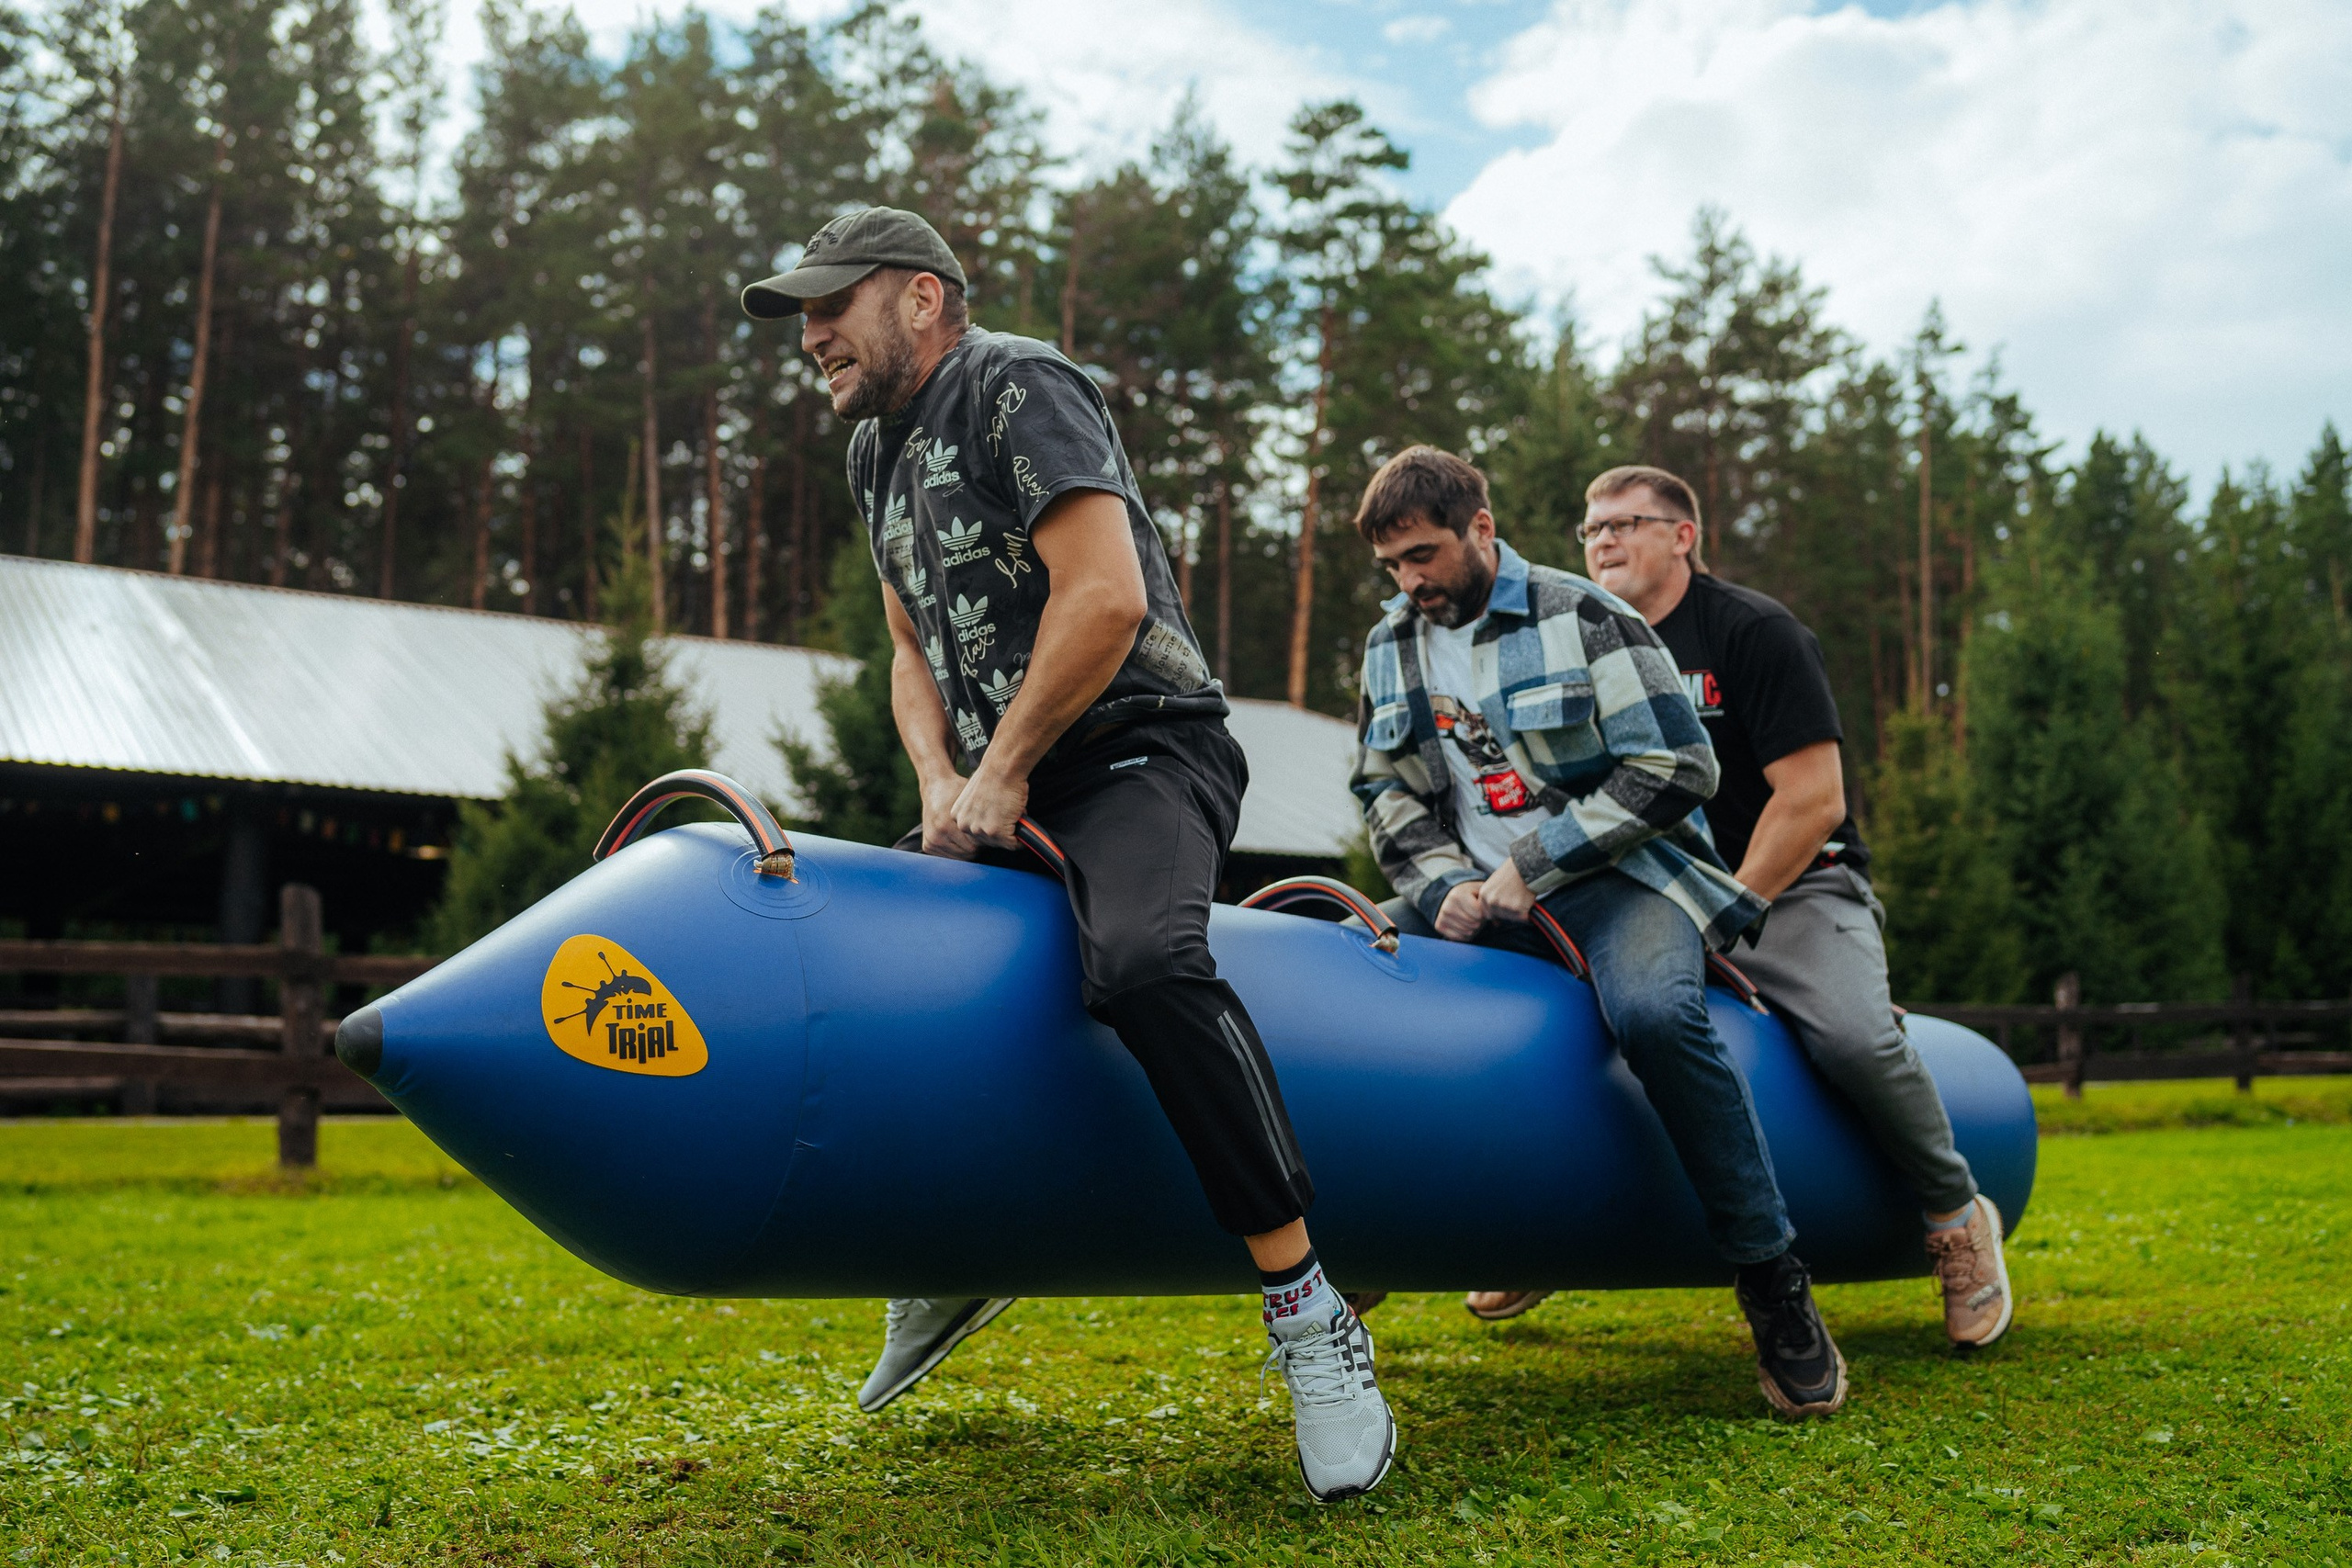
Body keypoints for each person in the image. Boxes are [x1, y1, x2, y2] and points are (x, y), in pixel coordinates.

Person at [741, 207, 1395, 1501]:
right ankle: (957, 1246)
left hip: (1140, 750)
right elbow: (909, 646)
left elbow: (1106, 596)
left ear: (923, 298)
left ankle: (1310, 1307)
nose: (810, 335)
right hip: (995, 785)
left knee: (1145, 962)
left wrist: (1003, 766)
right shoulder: (874, 450)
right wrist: (940, 778)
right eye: (799, 314)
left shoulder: (1017, 385)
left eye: (833, 304)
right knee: (871, 966)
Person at [1345, 446, 1849, 1419]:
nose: (1409, 582)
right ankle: (1371, 1237)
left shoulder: (1583, 613)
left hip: (1617, 885)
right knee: (1354, 977)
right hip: (1472, 897)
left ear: (1482, 530)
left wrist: (1527, 868)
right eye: (1392, 567)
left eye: (1424, 556)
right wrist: (1443, 880)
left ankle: (1773, 1285)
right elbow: (1383, 787)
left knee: (1657, 1020)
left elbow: (1674, 768)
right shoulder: (1391, 643)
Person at [1577, 464, 2012, 1350]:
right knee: (1564, 1035)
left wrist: (1726, 910)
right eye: (1590, 530)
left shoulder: (1754, 631)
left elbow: (1811, 800)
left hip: (1796, 883)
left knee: (1855, 1035)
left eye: (1625, 523)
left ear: (1682, 536)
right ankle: (1543, 1233)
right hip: (1649, 891)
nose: (1603, 542)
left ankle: (1956, 1212)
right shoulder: (1583, 647)